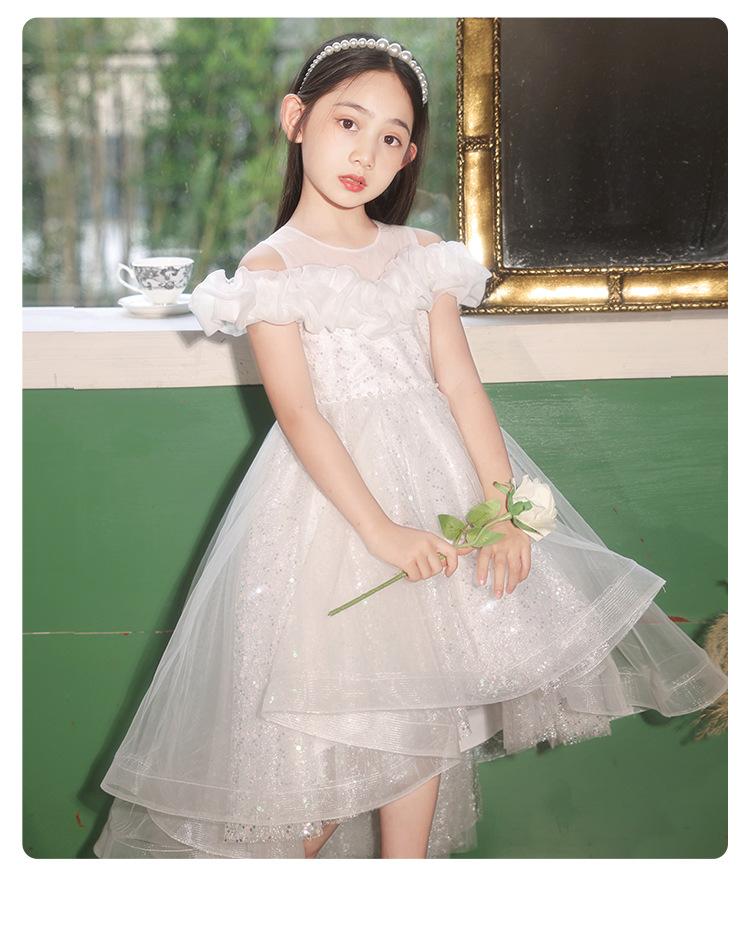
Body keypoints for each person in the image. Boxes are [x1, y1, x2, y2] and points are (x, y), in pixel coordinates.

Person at [92, 32, 728, 860]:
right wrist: (381, 532)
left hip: (437, 494)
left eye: (391, 137)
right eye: (347, 122)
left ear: (410, 156)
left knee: (426, 712)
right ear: (296, 118)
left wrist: (503, 512)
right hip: (333, 519)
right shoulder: (271, 268)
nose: (366, 152)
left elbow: (460, 385)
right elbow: (302, 415)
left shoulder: (423, 257)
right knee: (323, 752)